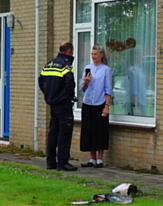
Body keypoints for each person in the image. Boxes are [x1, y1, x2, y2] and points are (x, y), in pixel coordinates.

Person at [38, 40, 78, 171]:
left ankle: (50, 162)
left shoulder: (49, 64)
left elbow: (41, 81)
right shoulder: (65, 66)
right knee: (64, 133)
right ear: (68, 51)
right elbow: (70, 82)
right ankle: (63, 163)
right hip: (63, 104)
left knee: (53, 133)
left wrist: (49, 95)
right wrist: (69, 96)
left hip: (52, 104)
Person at [80, 44, 112, 168]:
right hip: (88, 102)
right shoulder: (88, 68)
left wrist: (106, 106)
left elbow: (108, 89)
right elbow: (83, 88)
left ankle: (100, 159)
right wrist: (86, 82)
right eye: (92, 54)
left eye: (95, 54)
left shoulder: (106, 69)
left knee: (100, 130)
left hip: (100, 103)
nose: (93, 56)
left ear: (101, 55)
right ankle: (91, 158)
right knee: (89, 130)